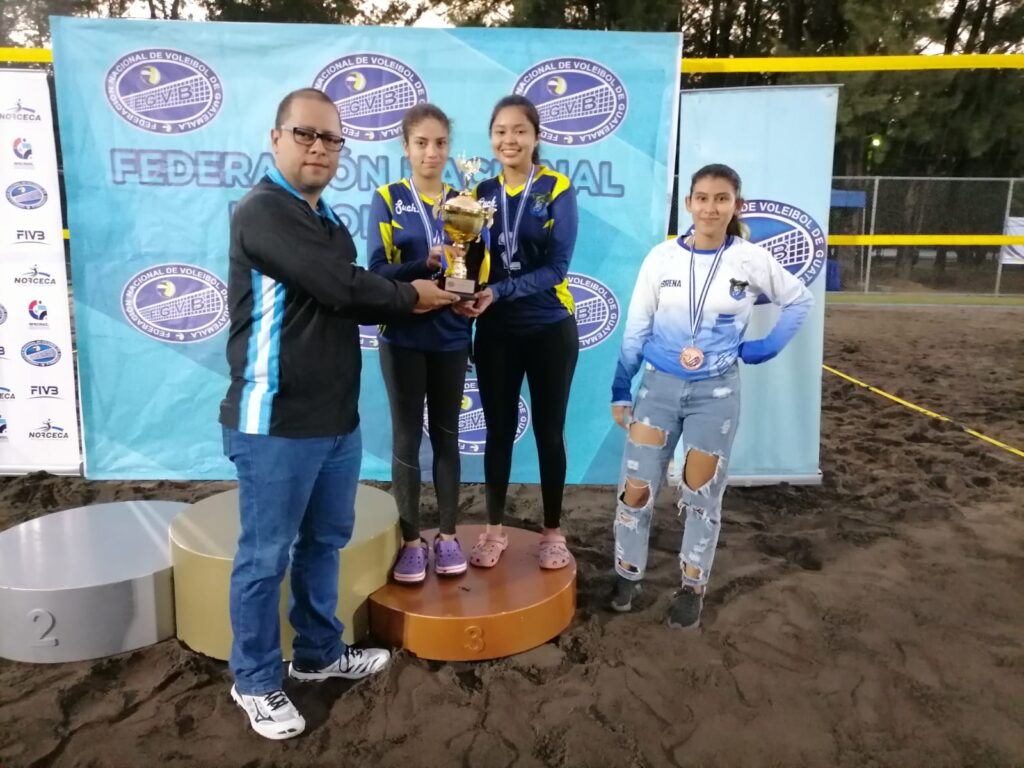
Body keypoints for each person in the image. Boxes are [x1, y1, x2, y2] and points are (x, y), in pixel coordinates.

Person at [219, 87, 458, 740]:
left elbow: (348, 287)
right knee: (264, 557)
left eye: (331, 138)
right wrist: (414, 293)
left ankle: (319, 652)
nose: (320, 148)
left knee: (323, 543)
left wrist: (419, 267)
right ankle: (255, 680)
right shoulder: (263, 211)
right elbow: (338, 285)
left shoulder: (323, 220)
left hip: (335, 421)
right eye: (306, 134)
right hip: (273, 422)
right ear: (276, 139)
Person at [608, 163, 813, 629]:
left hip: (715, 395)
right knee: (636, 490)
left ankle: (692, 587)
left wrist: (766, 346)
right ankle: (627, 574)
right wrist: (622, 386)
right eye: (702, 198)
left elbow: (799, 299)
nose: (710, 207)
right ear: (689, 204)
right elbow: (637, 326)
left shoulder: (749, 259)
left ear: (736, 205)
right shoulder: (661, 258)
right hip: (657, 391)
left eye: (721, 199)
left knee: (701, 495)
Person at [455, 95, 579, 571]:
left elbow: (556, 268)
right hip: (495, 330)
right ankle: (494, 529)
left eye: (520, 131)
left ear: (536, 137)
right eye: (501, 131)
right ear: (492, 138)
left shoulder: (556, 188)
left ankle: (553, 532)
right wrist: (464, 298)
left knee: (549, 432)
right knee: (498, 431)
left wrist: (500, 291)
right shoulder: (477, 192)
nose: (510, 140)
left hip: (549, 327)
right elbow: (468, 261)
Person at [368, 104, 473, 583]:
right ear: (406, 147)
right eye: (422, 143)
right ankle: (411, 541)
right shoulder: (388, 199)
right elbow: (377, 271)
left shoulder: (465, 202)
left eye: (441, 143)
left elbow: (476, 268)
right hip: (403, 336)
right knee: (407, 437)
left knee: (448, 435)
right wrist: (424, 264)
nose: (432, 152)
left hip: (450, 335)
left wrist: (472, 296)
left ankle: (447, 537)